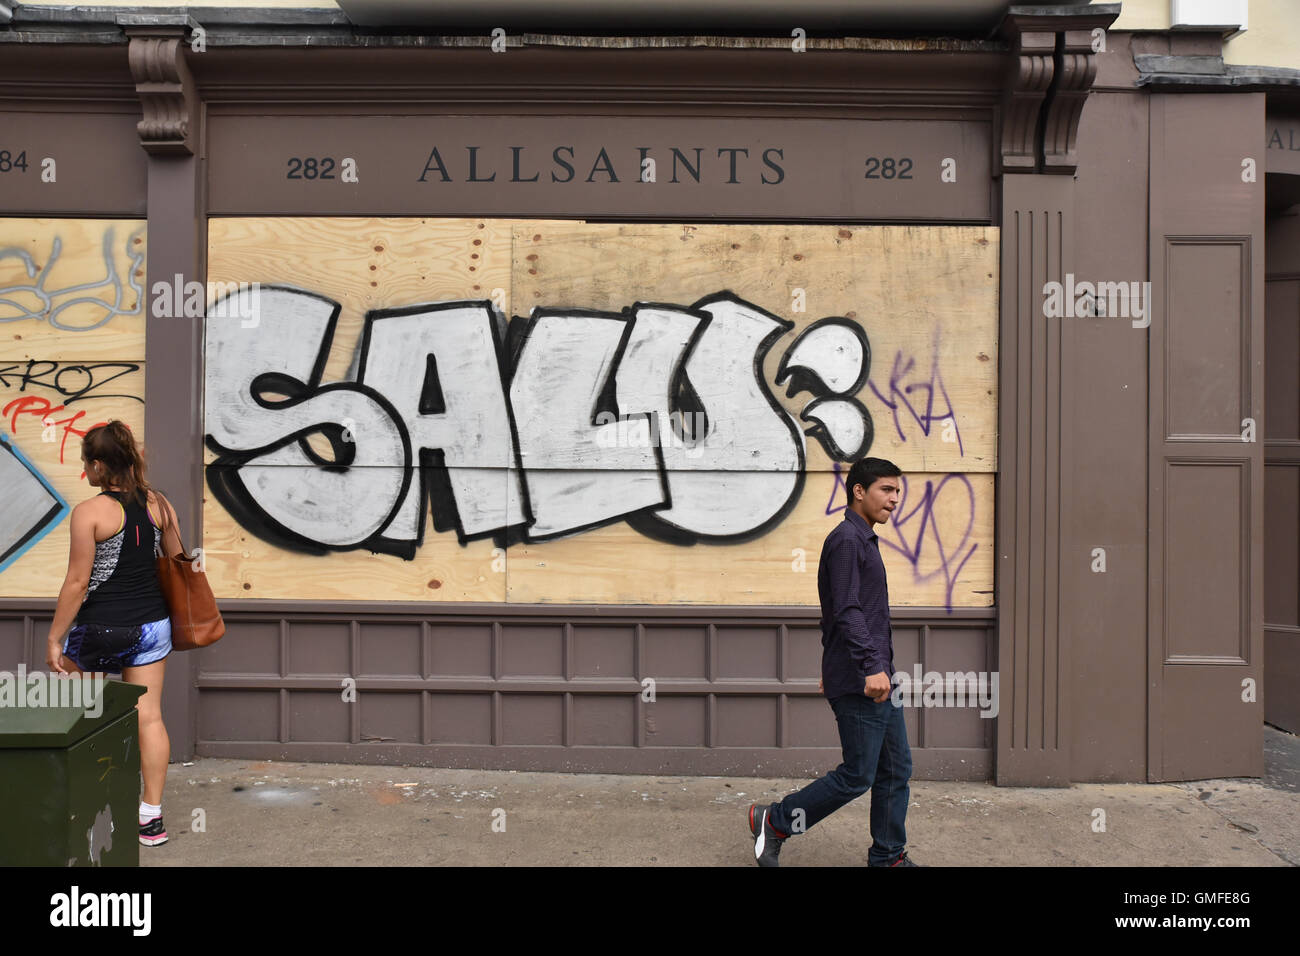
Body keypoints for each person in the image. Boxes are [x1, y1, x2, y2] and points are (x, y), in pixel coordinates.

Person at [749, 457, 918, 867]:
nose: (895, 499)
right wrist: (867, 666)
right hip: (866, 677)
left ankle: (888, 856)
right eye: (886, 490)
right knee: (858, 775)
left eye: (897, 491)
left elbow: (835, 613)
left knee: (895, 769)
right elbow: (846, 610)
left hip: (873, 673)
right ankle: (776, 820)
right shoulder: (847, 540)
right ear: (859, 491)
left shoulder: (862, 539)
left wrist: (836, 665)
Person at [44, 420, 182, 848]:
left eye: (87, 464)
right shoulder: (160, 504)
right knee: (151, 717)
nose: (85, 473)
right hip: (151, 628)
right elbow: (178, 562)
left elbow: (77, 583)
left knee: (84, 715)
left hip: (96, 629)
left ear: (100, 466)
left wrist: (54, 638)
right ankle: (150, 821)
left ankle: (87, 810)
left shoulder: (89, 513)